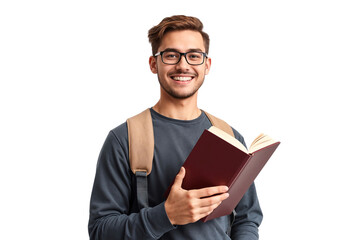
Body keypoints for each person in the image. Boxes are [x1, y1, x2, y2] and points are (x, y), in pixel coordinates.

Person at [88, 15, 263, 240]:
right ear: (154, 64)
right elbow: (100, 231)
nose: (183, 65)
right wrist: (167, 214)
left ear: (206, 65)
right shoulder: (125, 139)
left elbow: (247, 217)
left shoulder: (229, 137)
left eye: (194, 56)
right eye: (171, 55)